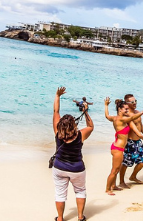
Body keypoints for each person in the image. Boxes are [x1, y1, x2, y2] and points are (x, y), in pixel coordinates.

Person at [52, 86, 93, 221]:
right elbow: (91, 126)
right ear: (74, 125)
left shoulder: (58, 133)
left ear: (60, 126)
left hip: (59, 168)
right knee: (80, 191)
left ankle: (60, 218)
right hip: (77, 168)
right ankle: (80, 217)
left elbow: (56, 111)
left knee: (60, 194)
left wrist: (58, 96)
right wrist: (86, 112)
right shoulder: (80, 135)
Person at [104, 97, 143, 195]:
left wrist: (106, 106)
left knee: (116, 169)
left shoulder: (115, 118)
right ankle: (108, 189)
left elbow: (107, 116)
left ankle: (113, 185)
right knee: (115, 170)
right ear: (120, 110)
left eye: (127, 109)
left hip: (118, 147)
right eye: (125, 109)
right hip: (118, 148)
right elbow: (132, 118)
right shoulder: (121, 119)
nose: (127, 110)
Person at [119, 94, 143, 188]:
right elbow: (134, 129)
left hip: (138, 142)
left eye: (135, 101)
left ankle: (133, 176)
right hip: (130, 142)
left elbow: (141, 127)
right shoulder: (127, 115)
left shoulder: (137, 112)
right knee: (126, 163)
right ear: (127, 103)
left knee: (142, 161)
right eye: (132, 102)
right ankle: (121, 181)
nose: (135, 103)